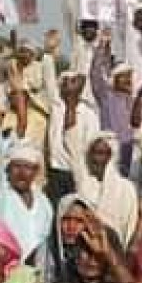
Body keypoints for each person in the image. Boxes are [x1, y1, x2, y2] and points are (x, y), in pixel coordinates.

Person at [0, 143, 54, 264]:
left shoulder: (44, 203)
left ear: (35, 171)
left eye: (27, 167)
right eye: (17, 166)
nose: (22, 173)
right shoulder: (0, 199)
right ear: (8, 169)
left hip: (40, 268)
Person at [72, 131, 139, 248]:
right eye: (93, 153)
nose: (95, 158)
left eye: (100, 153)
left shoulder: (126, 189)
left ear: (110, 156)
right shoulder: (84, 187)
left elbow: (130, 227)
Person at [47, 70, 100, 203]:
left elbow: (91, 146)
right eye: (64, 82)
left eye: (72, 81)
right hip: (56, 170)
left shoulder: (89, 114)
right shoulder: (56, 108)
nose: (67, 85)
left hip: (77, 171)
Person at [91, 30, 137, 176]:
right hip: (111, 149)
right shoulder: (106, 95)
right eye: (123, 76)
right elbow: (96, 73)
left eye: (129, 76)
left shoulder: (133, 99)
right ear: (114, 79)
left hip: (130, 150)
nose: (128, 80)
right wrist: (103, 46)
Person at [61, 0, 100, 110]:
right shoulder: (78, 42)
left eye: (92, 28)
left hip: (96, 98)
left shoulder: (100, 47)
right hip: (77, 96)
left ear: (96, 30)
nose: (89, 30)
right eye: (86, 28)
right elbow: (70, 17)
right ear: (81, 30)